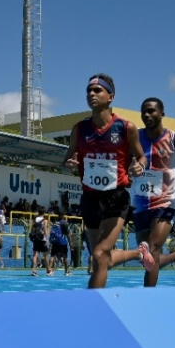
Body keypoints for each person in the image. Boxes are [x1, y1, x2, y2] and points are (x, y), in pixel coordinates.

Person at [62, 74, 147, 289]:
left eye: (98, 90)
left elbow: (142, 156)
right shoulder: (79, 129)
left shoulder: (126, 128)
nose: (91, 94)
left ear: (111, 97)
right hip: (90, 198)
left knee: (100, 254)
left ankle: (92, 307)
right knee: (100, 260)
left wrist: (140, 166)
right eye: (89, 91)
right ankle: (139, 252)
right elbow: (68, 157)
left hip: (116, 197)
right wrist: (69, 162)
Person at [131, 97, 175, 286]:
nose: (146, 115)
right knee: (148, 258)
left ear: (162, 113)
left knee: (151, 248)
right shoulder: (135, 137)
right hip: (141, 200)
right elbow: (125, 161)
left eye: (151, 111)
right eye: (143, 111)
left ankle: (148, 298)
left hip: (166, 200)